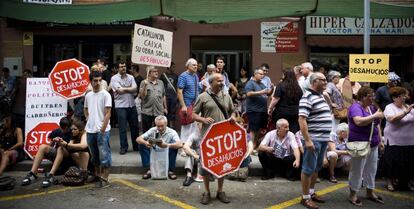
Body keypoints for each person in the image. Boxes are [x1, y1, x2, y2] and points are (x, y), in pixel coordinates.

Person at [191, 73, 235, 205]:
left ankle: (220, 191)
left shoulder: (226, 96)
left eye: (223, 81)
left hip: (223, 138)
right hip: (207, 138)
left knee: (222, 165)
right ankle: (206, 192)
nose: (222, 83)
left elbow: (232, 110)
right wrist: (203, 119)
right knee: (206, 166)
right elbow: (193, 114)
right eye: (219, 81)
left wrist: (232, 117)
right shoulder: (203, 96)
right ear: (211, 83)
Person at [298, 72, 332, 209]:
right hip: (314, 139)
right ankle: (305, 198)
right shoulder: (307, 97)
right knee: (308, 169)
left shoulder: (320, 96)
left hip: (322, 139)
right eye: (322, 80)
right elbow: (302, 119)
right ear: (313, 82)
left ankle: (311, 193)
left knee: (316, 168)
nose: (325, 82)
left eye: (326, 80)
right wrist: (307, 140)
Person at [347, 86, 384, 206]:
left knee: (371, 169)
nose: (373, 98)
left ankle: (370, 192)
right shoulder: (355, 107)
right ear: (362, 97)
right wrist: (375, 116)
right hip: (359, 144)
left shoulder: (372, 107)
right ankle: (353, 195)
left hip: (372, 143)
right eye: (370, 96)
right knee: (357, 170)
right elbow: (358, 121)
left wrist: (380, 140)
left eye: (373, 95)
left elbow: (377, 124)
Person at [21, 117, 72, 186]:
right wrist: (54, 141)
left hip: (68, 155)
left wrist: (63, 143)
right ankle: (33, 173)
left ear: (69, 127)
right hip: (57, 155)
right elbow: (51, 145)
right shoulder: (57, 131)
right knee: (43, 147)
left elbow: (72, 147)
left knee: (60, 148)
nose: (64, 130)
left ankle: (51, 175)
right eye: (62, 128)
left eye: (66, 128)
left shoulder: (73, 132)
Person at [84, 70, 112, 188]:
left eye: (100, 80)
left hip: (102, 130)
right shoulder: (88, 95)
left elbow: (108, 113)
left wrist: (102, 129)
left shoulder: (106, 94)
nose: (98, 83)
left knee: (104, 155)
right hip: (90, 130)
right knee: (94, 155)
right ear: (90, 81)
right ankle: (97, 175)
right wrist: (88, 120)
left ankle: (105, 178)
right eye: (95, 80)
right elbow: (85, 109)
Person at [42, 120, 90, 188]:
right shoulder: (73, 136)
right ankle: (51, 174)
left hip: (86, 161)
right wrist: (61, 141)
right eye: (72, 129)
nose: (72, 131)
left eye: (75, 129)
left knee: (83, 152)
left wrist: (66, 144)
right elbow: (69, 146)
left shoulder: (84, 134)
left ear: (80, 129)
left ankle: (84, 173)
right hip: (76, 161)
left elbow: (83, 145)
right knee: (61, 148)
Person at [383, 87, 414, 191]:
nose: (404, 98)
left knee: (408, 163)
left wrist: (408, 110)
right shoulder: (389, 107)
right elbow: (392, 119)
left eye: (405, 95)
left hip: (409, 141)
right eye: (402, 96)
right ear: (394, 98)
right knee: (393, 163)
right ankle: (390, 182)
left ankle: (408, 182)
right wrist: (405, 112)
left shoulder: (408, 107)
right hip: (394, 140)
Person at [136, 115, 183, 180]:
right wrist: (146, 143)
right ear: (155, 125)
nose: (160, 128)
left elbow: (180, 144)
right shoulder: (153, 130)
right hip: (155, 150)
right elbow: (138, 139)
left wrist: (167, 145)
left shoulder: (172, 132)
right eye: (158, 126)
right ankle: (149, 169)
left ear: (166, 124)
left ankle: (170, 170)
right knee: (141, 145)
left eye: (162, 126)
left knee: (174, 147)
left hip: (166, 150)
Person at [139, 65, 167, 172]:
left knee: (159, 133)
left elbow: (163, 95)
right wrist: (145, 86)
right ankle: (148, 159)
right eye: (154, 71)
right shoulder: (143, 82)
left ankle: (158, 153)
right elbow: (142, 96)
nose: (156, 72)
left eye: (157, 71)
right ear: (149, 73)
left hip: (159, 112)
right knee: (146, 134)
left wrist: (165, 107)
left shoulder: (161, 83)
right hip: (147, 111)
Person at [177, 58, 200, 187]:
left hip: (194, 105)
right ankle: (184, 148)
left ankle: (188, 147)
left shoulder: (195, 76)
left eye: (197, 65)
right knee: (186, 128)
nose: (196, 66)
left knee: (193, 127)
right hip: (187, 105)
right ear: (188, 66)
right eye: (194, 65)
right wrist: (183, 106)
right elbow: (179, 91)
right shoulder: (183, 76)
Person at [110, 61, 139, 155]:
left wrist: (125, 88)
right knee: (122, 128)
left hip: (132, 105)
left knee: (134, 127)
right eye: (121, 66)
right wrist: (129, 88)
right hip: (121, 106)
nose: (123, 68)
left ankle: (136, 146)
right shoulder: (114, 78)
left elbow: (135, 89)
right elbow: (119, 91)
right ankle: (124, 147)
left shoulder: (131, 77)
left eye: (125, 66)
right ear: (117, 68)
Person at [268, 68, 303, 133]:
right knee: (293, 130)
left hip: (282, 112)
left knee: (280, 130)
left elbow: (276, 98)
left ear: (285, 75)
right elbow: (301, 97)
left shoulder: (281, 85)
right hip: (295, 112)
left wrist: (270, 108)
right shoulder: (297, 86)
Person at [245, 68, 271, 148]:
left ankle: (254, 145)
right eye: (260, 74)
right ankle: (250, 147)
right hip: (254, 110)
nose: (262, 75)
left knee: (259, 130)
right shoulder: (250, 83)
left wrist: (271, 89)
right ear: (255, 74)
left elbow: (267, 94)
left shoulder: (261, 84)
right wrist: (261, 92)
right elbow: (248, 94)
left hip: (262, 110)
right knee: (253, 130)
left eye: (263, 74)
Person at [160, 62, 179, 128]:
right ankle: (166, 127)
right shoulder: (163, 75)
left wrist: (177, 97)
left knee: (173, 112)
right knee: (166, 112)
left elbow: (177, 87)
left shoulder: (176, 76)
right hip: (166, 97)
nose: (174, 68)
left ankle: (172, 127)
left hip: (173, 97)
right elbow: (161, 86)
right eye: (173, 67)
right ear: (169, 67)